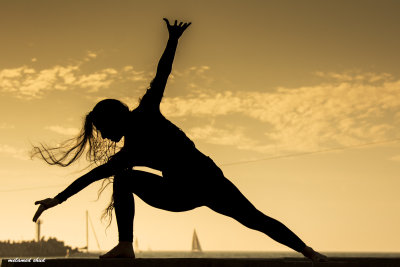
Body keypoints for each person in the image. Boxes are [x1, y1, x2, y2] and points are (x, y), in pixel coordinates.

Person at [32, 18, 327, 262]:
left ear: (113, 120)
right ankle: (126, 246)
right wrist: (58, 198)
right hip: (181, 190)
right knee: (123, 179)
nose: (106, 137)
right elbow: (94, 175)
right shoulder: (129, 151)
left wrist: (173, 40)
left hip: (207, 181)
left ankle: (309, 252)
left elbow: (161, 74)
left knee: (253, 218)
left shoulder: (145, 113)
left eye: (103, 129)